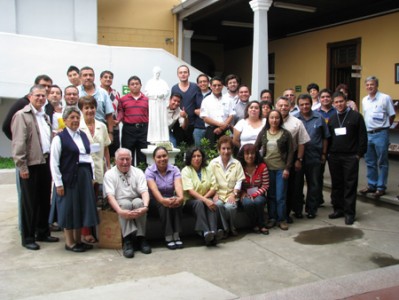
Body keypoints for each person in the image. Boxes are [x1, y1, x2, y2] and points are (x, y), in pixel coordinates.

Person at [11, 84, 59, 250]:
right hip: (30, 165)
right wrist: (22, 166)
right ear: (30, 96)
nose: (40, 98)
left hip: (45, 162)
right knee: (29, 203)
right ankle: (28, 237)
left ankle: (42, 232)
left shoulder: (44, 116)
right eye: (37, 95)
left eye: (42, 96)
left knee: (44, 200)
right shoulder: (22, 115)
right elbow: (18, 144)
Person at [49, 106, 99, 252]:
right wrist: (58, 184)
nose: (75, 120)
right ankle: (70, 243)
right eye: (72, 117)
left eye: (77, 117)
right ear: (64, 120)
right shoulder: (59, 138)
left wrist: (92, 176)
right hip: (68, 178)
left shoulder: (83, 135)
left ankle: (79, 240)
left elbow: (89, 156)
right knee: (69, 210)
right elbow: (54, 162)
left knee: (80, 208)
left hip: (83, 177)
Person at [103, 148, 152, 258]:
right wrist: (120, 211)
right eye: (122, 159)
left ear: (131, 159)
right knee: (126, 205)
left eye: (127, 159)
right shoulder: (109, 174)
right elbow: (110, 196)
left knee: (139, 202)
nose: (125, 162)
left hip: (135, 199)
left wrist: (145, 206)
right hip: (119, 201)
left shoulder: (138, 172)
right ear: (116, 160)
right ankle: (127, 239)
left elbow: (144, 191)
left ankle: (141, 237)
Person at [328, 91, 367, 225]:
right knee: (337, 184)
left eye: (341, 101)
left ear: (346, 101)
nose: (339, 104)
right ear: (333, 104)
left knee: (350, 185)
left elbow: (362, 136)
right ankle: (338, 209)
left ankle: (349, 213)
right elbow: (329, 139)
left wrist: (359, 154)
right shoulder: (332, 119)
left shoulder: (356, 116)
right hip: (334, 157)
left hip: (351, 156)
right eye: (336, 102)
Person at [78, 95, 111, 243]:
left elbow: (105, 148)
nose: (90, 110)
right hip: (83, 169)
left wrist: (108, 166)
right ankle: (85, 232)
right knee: (85, 201)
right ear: (81, 110)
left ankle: (98, 231)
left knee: (97, 201)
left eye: (92, 107)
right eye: (86, 108)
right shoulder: (77, 126)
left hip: (98, 167)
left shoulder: (102, 126)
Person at [255, 110, 294, 230]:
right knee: (271, 195)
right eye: (271, 118)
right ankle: (272, 218)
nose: (274, 120)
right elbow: (256, 148)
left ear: (280, 120)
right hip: (267, 169)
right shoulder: (263, 133)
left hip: (281, 169)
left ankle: (282, 219)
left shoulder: (286, 134)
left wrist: (287, 168)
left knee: (280, 196)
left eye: (277, 118)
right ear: (268, 119)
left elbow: (291, 152)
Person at [275, 96, 310, 222]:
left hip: (292, 157)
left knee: (290, 187)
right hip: (274, 158)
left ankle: (286, 213)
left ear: (290, 107)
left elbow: (301, 142)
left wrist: (299, 159)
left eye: (286, 105)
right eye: (280, 105)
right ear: (276, 106)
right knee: (275, 188)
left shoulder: (297, 122)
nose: (283, 107)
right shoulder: (270, 120)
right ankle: (274, 214)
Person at [295, 94, 330, 218]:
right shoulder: (294, 118)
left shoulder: (319, 118)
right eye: (302, 104)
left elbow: (325, 137)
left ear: (311, 104)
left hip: (315, 156)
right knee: (297, 185)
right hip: (298, 157)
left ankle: (311, 209)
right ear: (298, 106)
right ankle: (298, 210)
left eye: (307, 104)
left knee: (314, 184)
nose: (304, 106)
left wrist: (324, 154)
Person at [360, 76, 395, 198]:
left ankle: (381, 187)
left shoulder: (385, 98)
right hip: (368, 134)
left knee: (382, 162)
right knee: (369, 161)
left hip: (381, 133)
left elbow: (392, 115)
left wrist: (384, 127)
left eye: (372, 84)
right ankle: (371, 185)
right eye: (367, 85)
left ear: (377, 85)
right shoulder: (364, 100)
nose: (369, 87)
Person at [181, 147, 223, 245]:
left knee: (209, 203)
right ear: (189, 158)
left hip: (204, 198)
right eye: (194, 156)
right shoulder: (186, 170)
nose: (196, 158)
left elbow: (213, 187)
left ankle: (213, 233)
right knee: (201, 202)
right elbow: (190, 191)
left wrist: (206, 199)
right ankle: (205, 232)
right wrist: (205, 200)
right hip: (190, 202)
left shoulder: (207, 169)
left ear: (202, 157)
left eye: (199, 156)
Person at [145, 147, 184, 249]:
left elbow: (178, 185)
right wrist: (163, 200)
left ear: (168, 156)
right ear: (154, 158)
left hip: (170, 197)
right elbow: (154, 189)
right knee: (165, 205)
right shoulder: (149, 171)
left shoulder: (174, 169)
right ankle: (168, 236)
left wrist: (180, 197)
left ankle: (176, 234)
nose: (162, 159)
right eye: (159, 157)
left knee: (176, 202)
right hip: (155, 201)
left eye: (164, 156)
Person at [209, 136, 245, 237]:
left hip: (231, 194)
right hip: (218, 194)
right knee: (218, 205)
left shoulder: (237, 163)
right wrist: (215, 193)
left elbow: (239, 181)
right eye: (223, 148)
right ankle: (227, 229)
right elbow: (211, 181)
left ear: (232, 150)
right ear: (219, 150)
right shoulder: (213, 163)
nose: (226, 151)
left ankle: (229, 227)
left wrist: (234, 194)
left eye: (228, 148)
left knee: (229, 207)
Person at [237, 144, 269, 235]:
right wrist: (243, 193)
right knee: (248, 203)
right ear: (243, 155)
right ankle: (254, 224)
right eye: (247, 154)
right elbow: (237, 185)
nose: (250, 156)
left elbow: (265, 185)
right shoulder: (239, 168)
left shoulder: (262, 167)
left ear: (256, 154)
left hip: (259, 193)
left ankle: (262, 225)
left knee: (259, 201)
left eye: (252, 153)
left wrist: (254, 195)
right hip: (244, 194)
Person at [117, 75, 149, 166]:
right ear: (128, 86)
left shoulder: (147, 99)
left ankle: (142, 176)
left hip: (144, 130)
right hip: (128, 130)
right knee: (127, 154)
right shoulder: (123, 99)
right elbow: (121, 113)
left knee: (143, 155)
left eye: (137, 84)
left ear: (140, 85)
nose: (135, 86)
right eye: (132, 84)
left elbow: (150, 114)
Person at [77, 66, 114, 142]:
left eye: (91, 75)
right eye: (85, 75)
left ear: (94, 77)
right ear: (80, 78)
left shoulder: (103, 92)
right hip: (79, 129)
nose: (88, 77)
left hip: (100, 130)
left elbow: (109, 114)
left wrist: (110, 133)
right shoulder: (76, 92)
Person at [200, 76, 235, 144]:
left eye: (219, 85)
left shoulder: (228, 100)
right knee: (211, 152)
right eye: (214, 85)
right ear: (210, 86)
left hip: (225, 130)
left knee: (227, 151)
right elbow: (205, 118)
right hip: (211, 130)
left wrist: (222, 128)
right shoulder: (206, 100)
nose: (217, 87)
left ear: (222, 86)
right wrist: (219, 124)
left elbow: (231, 115)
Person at [171, 65, 200, 146]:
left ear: (188, 74)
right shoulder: (174, 88)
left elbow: (199, 104)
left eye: (185, 72)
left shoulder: (195, 87)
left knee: (191, 150)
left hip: (193, 124)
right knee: (179, 149)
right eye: (180, 73)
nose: (183, 74)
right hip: (178, 124)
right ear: (178, 75)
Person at [145, 66, 170, 144]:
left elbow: (167, 91)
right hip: (153, 104)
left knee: (162, 120)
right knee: (154, 120)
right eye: (156, 73)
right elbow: (146, 93)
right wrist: (155, 96)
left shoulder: (163, 82)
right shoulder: (149, 82)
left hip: (161, 104)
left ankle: (163, 137)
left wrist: (163, 95)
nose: (157, 75)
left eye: (159, 73)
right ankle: (153, 138)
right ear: (153, 73)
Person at [100, 70, 121, 158]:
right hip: (101, 126)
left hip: (114, 127)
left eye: (110, 77)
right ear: (100, 79)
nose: (108, 79)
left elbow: (120, 109)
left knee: (114, 152)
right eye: (105, 77)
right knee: (101, 151)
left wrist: (118, 120)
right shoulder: (97, 92)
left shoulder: (116, 93)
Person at [193, 74, 211, 146]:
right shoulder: (195, 95)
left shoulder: (213, 94)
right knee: (198, 150)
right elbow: (194, 110)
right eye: (200, 82)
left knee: (210, 150)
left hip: (211, 127)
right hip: (198, 127)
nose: (202, 83)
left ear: (208, 83)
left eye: (204, 81)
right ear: (197, 84)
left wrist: (201, 112)